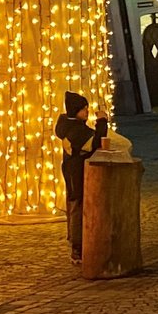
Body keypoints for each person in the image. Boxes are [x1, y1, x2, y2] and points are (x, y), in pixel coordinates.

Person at [54, 91, 106, 264]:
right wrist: (102, 122)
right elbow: (95, 143)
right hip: (76, 173)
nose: (87, 112)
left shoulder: (71, 126)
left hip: (73, 171)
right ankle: (77, 248)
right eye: (84, 109)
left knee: (75, 205)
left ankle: (78, 244)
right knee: (77, 206)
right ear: (75, 111)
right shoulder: (74, 130)